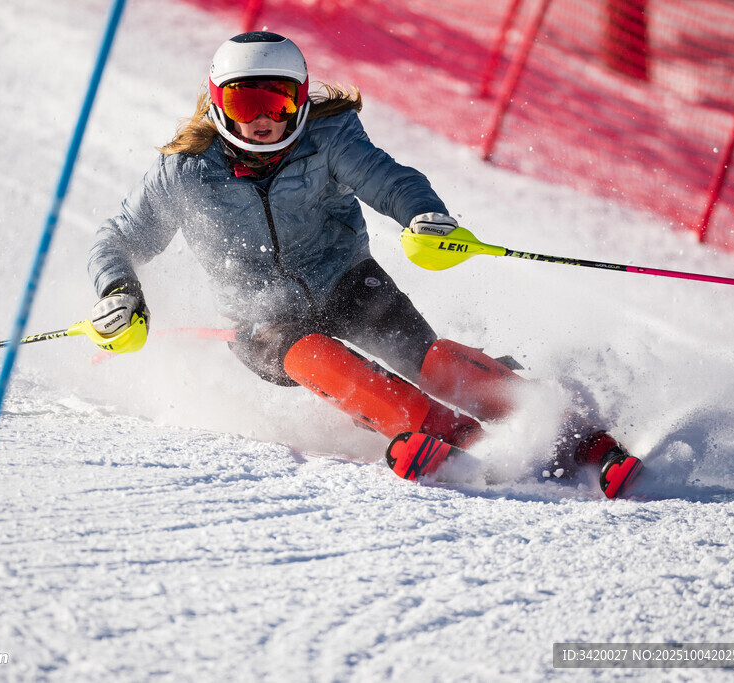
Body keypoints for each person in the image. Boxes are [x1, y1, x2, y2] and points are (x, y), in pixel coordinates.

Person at [85, 31, 641, 497]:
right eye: (243, 104)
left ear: (300, 99)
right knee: (317, 357)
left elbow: (391, 180)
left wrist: (424, 217)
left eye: (276, 103)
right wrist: (118, 293)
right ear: (215, 102)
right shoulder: (185, 171)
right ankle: (457, 440)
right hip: (263, 322)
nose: (263, 122)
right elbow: (117, 238)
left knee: (433, 361)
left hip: (346, 281)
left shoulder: (328, 137)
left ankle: (572, 432)